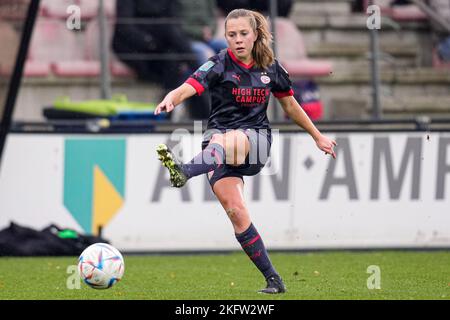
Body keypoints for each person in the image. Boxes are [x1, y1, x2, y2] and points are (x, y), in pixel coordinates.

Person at [154, 8, 337, 294]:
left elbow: (290, 105)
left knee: (231, 139)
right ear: (225, 37)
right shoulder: (218, 64)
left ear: (255, 35)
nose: (237, 40)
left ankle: (184, 171)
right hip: (217, 144)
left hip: (255, 142)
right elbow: (191, 85)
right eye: (231, 35)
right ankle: (274, 279)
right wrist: (171, 98)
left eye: (243, 34)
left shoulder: (272, 67)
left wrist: (317, 136)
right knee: (236, 212)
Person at [112, 0, 210, 119]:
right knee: (171, 35)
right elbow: (125, 27)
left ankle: (195, 117)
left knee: (175, 60)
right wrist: (149, 42)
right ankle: (202, 74)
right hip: (134, 49)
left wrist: (155, 43)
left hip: (161, 48)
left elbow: (175, 20)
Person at [179, 0, 228, 65]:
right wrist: (200, 32)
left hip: (208, 39)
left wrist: (210, 30)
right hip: (190, 40)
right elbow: (179, 25)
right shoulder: (179, 2)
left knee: (229, 48)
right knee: (206, 53)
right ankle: (211, 75)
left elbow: (213, 18)